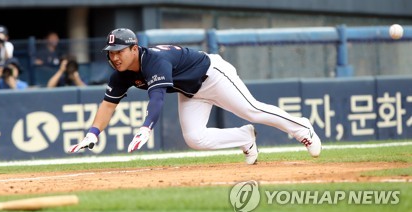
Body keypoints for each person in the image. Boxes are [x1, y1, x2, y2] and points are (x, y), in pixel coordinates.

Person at [66, 28, 322, 165]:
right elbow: (108, 105)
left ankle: (302, 128)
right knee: (194, 138)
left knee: (252, 109)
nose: (114, 57)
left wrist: (146, 128)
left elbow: (156, 99)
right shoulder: (119, 72)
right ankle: (245, 136)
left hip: (213, 75)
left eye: (119, 51)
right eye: (111, 52)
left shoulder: (154, 60)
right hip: (191, 91)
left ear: (134, 48)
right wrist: (92, 134)